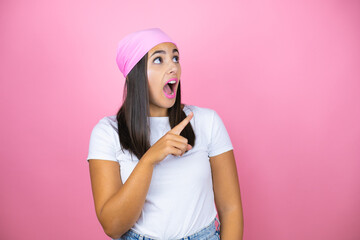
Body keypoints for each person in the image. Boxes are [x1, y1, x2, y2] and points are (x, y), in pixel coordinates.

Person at [87, 28, 244, 240]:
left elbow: (230, 208)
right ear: (136, 73)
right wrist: (150, 159)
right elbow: (113, 226)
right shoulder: (107, 132)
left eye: (175, 58)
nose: (173, 67)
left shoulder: (207, 121)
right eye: (159, 60)